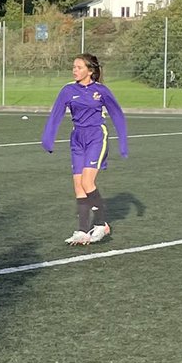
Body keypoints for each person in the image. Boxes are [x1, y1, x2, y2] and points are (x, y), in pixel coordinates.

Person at [41, 53, 129, 246]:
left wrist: (123, 143)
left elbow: (118, 115)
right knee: (79, 186)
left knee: (88, 182)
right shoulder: (67, 90)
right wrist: (48, 138)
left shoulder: (101, 91)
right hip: (77, 138)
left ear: (90, 71)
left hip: (96, 136)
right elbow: (55, 114)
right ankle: (82, 231)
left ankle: (101, 224)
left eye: (79, 67)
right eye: (73, 67)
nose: (75, 70)